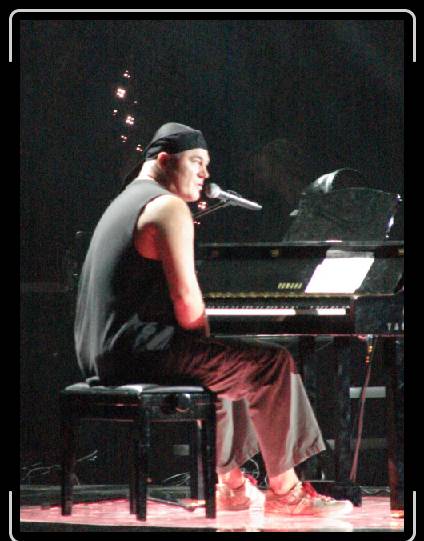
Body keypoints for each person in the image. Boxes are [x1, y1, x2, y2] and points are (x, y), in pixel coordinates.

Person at [74, 122, 353, 517]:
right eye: (197, 162)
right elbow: (186, 299)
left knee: (227, 364)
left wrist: (210, 347)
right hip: (139, 352)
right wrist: (203, 338)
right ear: (165, 160)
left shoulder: (124, 202)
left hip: (103, 353)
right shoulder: (168, 206)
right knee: (272, 363)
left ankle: (232, 487)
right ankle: (287, 492)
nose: (206, 173)